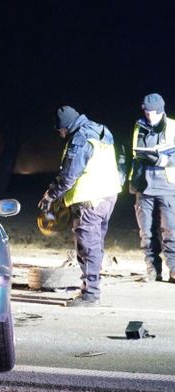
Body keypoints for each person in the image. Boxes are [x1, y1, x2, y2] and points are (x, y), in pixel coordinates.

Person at [38, 106, 122, 306]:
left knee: (87, 247)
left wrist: (51, 195)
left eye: (60, 130)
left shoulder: (80, 139)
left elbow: (69, 175)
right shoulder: (102, 130)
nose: (60, 134)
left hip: (90, 199)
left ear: (66, 127)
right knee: (96, 244)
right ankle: (92, 287)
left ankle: (90, 294)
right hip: (108, 195)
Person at [129, 93, 175, 283]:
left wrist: (160, 159)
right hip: (143, 187)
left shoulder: (172, 127)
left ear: (161, 111)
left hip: (167, 187)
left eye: (152, 113)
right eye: (146, 113)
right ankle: (152, 270)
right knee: (146, 232)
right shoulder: (139, 126)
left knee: (171, 231)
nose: (149, 116)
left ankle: (173, 270)